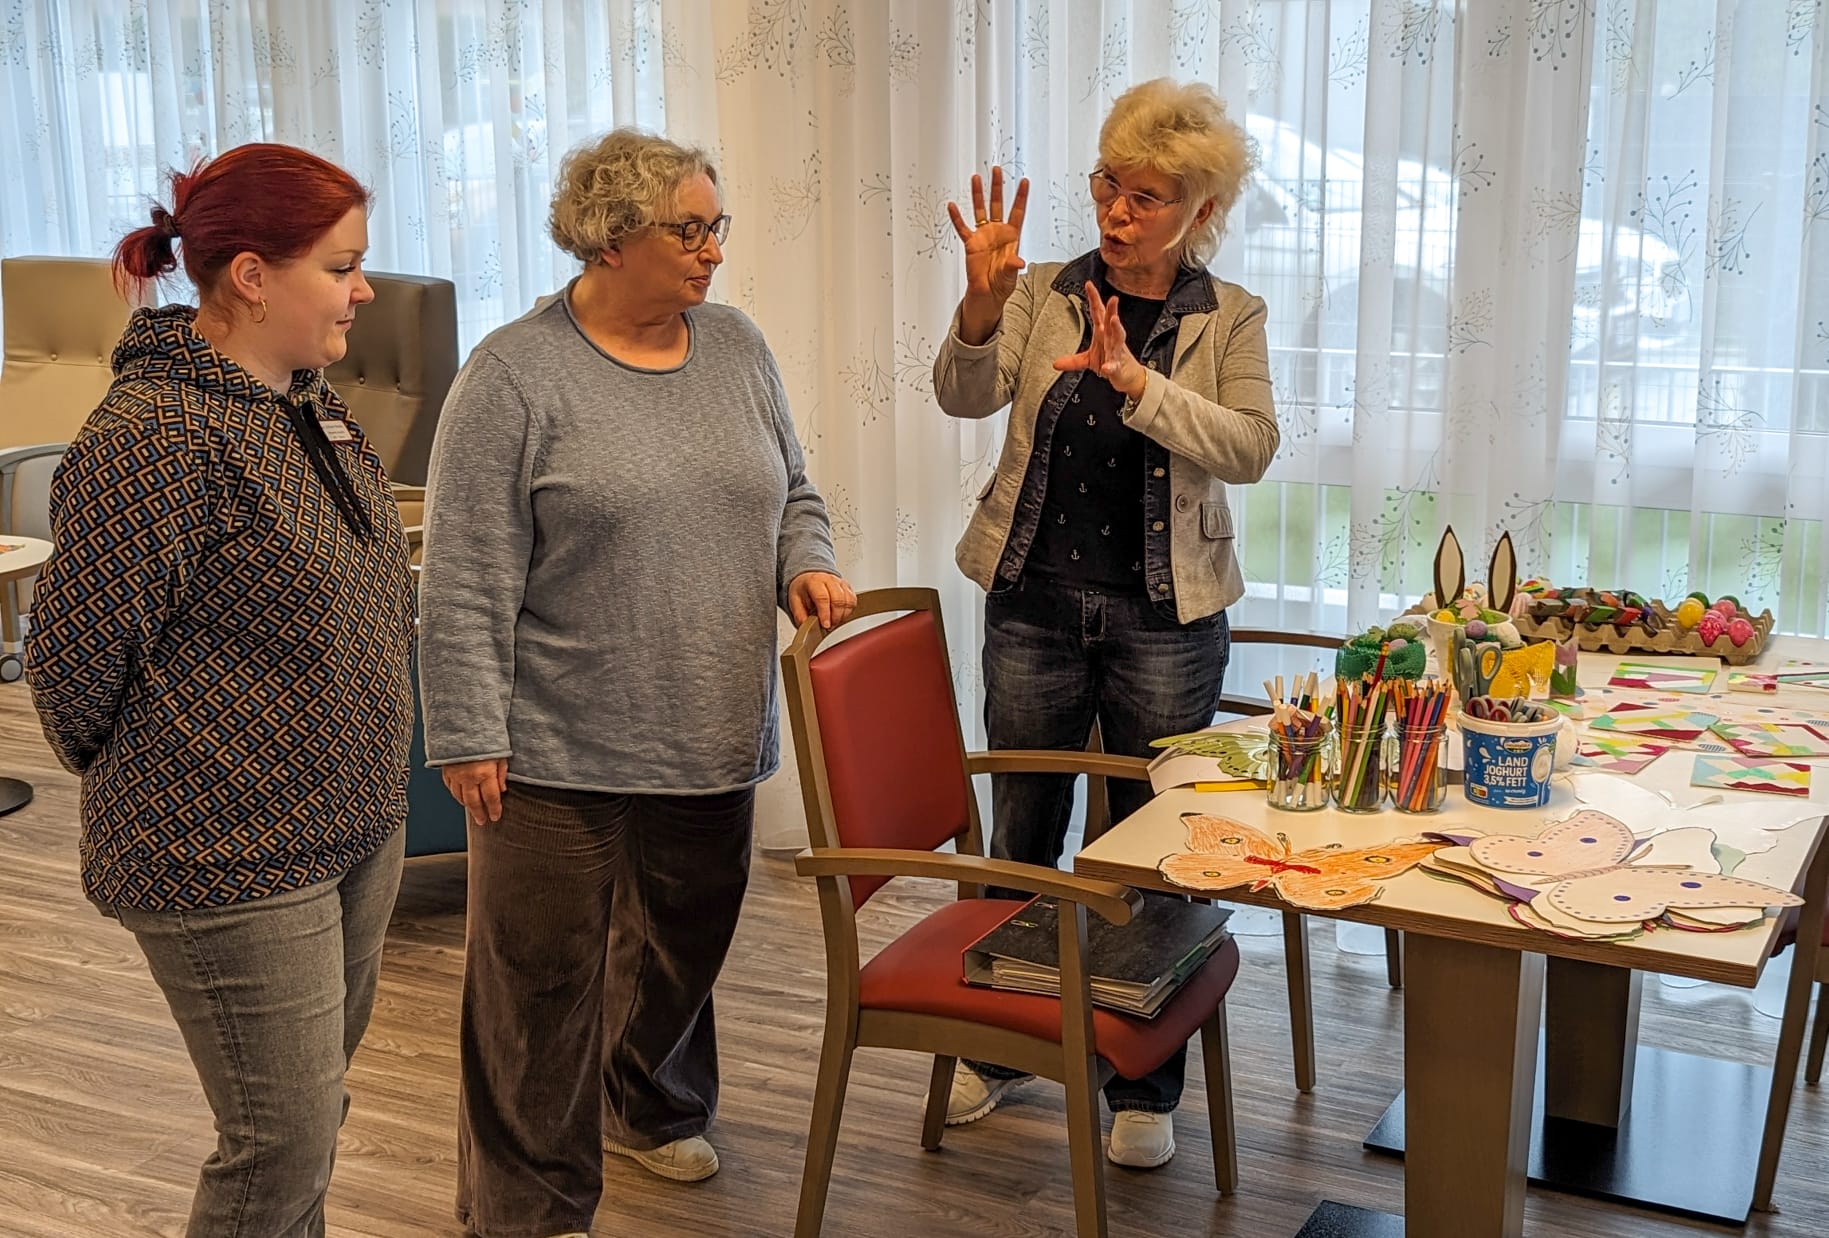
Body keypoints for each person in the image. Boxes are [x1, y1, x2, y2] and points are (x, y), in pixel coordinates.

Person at [416, 127, 854, 1238]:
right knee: (535, 994)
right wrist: (467, 727)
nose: (713, 251)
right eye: (689, 229)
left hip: (709, 727)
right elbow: (464, 572)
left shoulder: (735, 347)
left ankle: (645, 1095)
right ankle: (527, 1209)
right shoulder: (514, 377)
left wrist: (805, 561)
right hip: (554, 748)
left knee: (683, 943)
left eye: (718, 227)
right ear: (612, 239)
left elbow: (792, 488)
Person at [26, 144, 414, 1236]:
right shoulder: (153, 434)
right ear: (252, 276)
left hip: (348, 825)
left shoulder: (303, 403)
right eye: (342, 267)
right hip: (224, 854)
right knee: (275, 1145)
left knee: (307, 1123)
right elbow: (70, 676)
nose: (364, 289)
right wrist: (197, 758)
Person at [931, 78, 1279, 1167]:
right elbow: (960, 394)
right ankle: (992, 1050)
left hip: (1165, 620)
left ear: (1198, 214)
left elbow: (1251, 447)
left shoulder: (1228, 318)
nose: (1115, 212)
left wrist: (1136, 380)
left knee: (1146, 844)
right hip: (1030, 602)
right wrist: (981, 305)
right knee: (1022, 831)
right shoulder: (1045, 287)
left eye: (1143, 196)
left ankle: (1141, 1077)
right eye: (1106, 186)